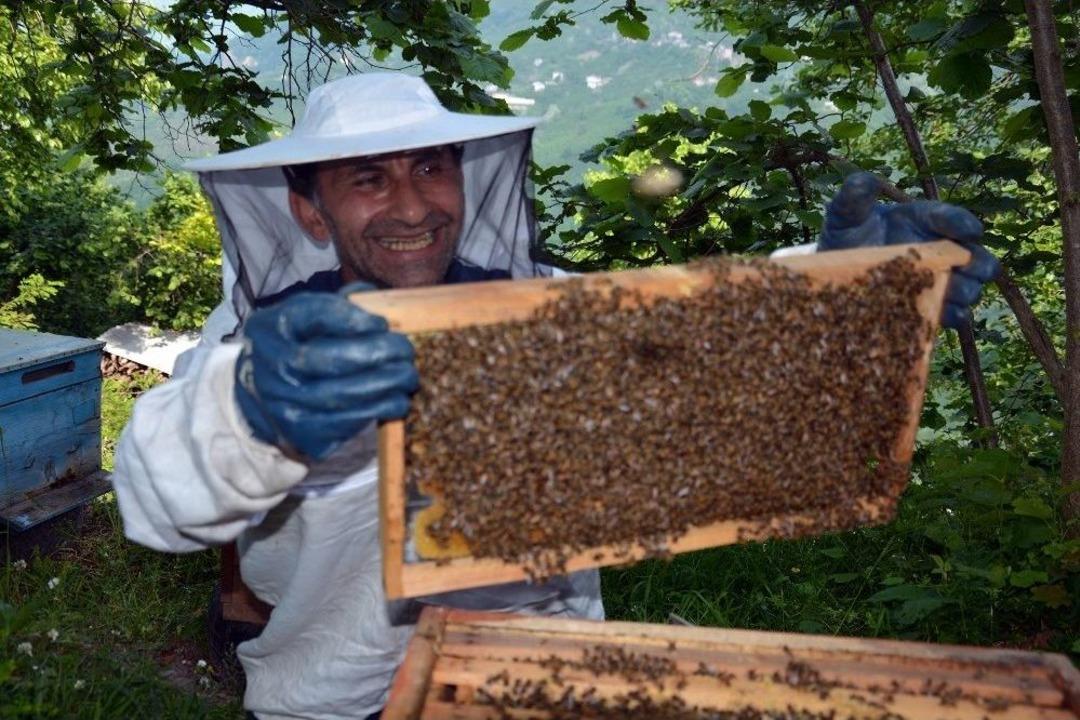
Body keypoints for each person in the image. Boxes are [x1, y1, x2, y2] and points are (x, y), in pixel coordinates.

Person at [111, 72, 998, 720]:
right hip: (336, 696)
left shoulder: (539, 313)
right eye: (368, 179)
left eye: (431, 167)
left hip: (537, 673)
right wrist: (252, 410)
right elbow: (162, 492)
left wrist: (855, 295)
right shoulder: (261, 347)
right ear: (311, 213)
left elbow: (696, 356)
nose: (413, 204)